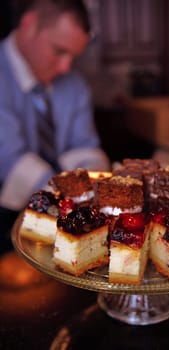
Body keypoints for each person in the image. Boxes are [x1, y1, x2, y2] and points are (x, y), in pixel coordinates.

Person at [0, 0, 110, 247]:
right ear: (29, 25)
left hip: (68, 219)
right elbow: (8, 159)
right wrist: (71, 199)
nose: (65, 67)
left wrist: (92, 191)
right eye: (59, 51)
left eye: (73, 56)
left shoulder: (75, 85)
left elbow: (84, 147)